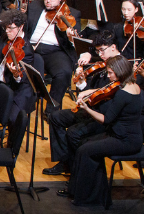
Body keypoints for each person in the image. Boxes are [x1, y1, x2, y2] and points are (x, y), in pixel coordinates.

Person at [59, 55, 142, 207]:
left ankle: (88, 198)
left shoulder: (123, 94)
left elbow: (106, 119)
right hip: (121, 134)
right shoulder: (134, 86)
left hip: (126, 140)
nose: (109, 76)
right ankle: (82, 191)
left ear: (120, 71)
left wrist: (86, 108)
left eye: (110, 73)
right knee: (84, 143)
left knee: (85, 150)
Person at [43, 30, 121, 176]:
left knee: (74, 133)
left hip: (103, 116)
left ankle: (76, 169)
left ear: (113, 47)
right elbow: (91, 93)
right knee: (55, 117)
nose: (100, 54)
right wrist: (81, 83)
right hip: (91, 109)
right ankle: (65, 162)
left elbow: (105, 95)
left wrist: (85, 89)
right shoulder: (102, 65)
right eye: (97, 51)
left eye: (102, 50)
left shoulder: (120, 67)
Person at [28, 0, 81, 112]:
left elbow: (76, 42)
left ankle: (52, 111)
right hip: (32, 47)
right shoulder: (34, 6)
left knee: (64, 72)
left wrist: (70, 37)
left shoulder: (72, 13)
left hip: (55, 51)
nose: (48, 1)